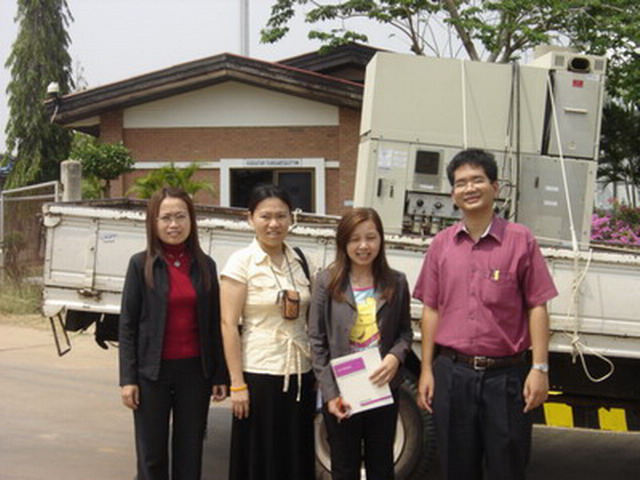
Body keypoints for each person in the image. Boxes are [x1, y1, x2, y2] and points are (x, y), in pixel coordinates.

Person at [414, 148, 558, 479]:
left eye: (477, 180)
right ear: (453, 193)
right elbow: (431, 309)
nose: (469, 188)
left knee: (508, 468)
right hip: (453, 374)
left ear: (495, 187)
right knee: (456, 468)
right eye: (461, 182)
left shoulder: (520, 240)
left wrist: (539, 368)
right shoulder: (441, 245)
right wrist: (426, 370)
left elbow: (537, 305)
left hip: (506, 380)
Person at [118, 187, 228, 480]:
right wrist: (128, 379)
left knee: (190, 451)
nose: (174, 224)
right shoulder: (140, 264)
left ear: (191, 220)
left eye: (180, 216)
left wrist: (219, 375)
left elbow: (214, 324)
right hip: (151, 373)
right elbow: (128, 325)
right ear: (153, 222)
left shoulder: (205, 266)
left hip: (195, 373)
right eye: (165, 218)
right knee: (152, 454)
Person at [309, 207, 413, 480]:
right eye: (355, 239)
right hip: (342, 391)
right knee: (344, 466)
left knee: (382, 465)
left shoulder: (397, 282)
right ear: (343, 243)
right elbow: (317, 341)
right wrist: (330, 394)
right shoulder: (327, 282)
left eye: (370, 237)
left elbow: (405, 333)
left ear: (381, 240)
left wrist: (395, 357)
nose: (363, 246)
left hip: (382, 387)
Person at [220, 184, 315, 480]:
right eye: (265, 216)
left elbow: (312, 318)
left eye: (281, 216)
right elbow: (228, 324)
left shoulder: (302, 261)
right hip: (259, 374)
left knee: (293, 455)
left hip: (300, 373)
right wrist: (237, 384)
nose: (274, 224)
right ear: (250, 218)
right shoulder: (241, 262)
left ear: (291, 218)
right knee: (261, 458)